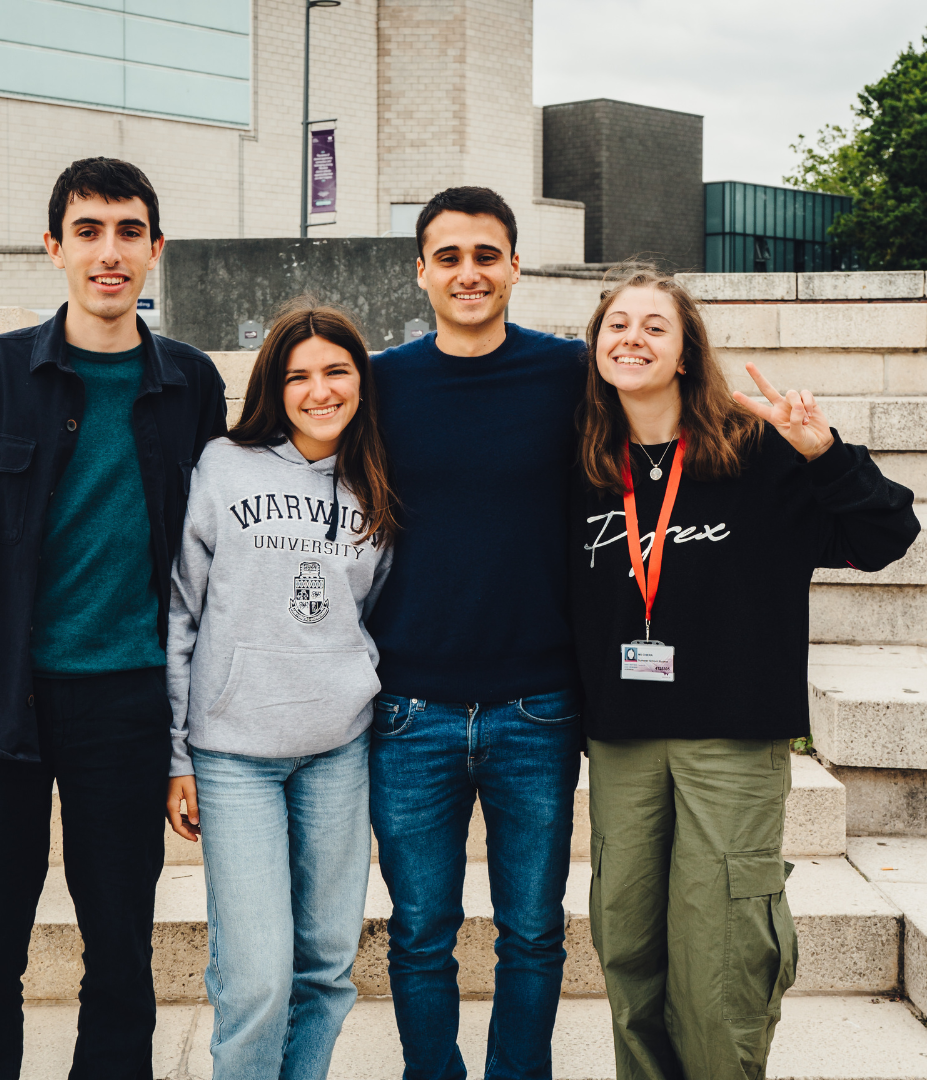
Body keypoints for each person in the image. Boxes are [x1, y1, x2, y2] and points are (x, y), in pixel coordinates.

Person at [0, 157, 227, 1080]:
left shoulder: (192, 384)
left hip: (124, 704)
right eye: (88, 231)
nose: (108, 253)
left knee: (119, 948)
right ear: (54, 247)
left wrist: (191, 737)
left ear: (155, 250)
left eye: (128, 233)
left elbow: (210, 565)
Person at [570, 267, 920, 1080]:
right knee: (627, 946)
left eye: (655, 326)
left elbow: (886, 537)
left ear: (687, 351)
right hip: (620, 744)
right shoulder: (584, 462)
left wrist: (823, 452)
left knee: (723, 951)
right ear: (594, 350)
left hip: (729, 741)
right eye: (617, 324)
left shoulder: (758, 452)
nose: (632, 338)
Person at [367, 187, 588, 1079]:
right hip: (407, 707)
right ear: (420, 270)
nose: (469, 272)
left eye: (486, 254)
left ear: (515, 265)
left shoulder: (570, 372)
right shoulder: (379, 383)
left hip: (536, 706)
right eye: (449, 256)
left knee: (533, 931)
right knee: (420, 933)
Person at [165, 300, 396, 1079]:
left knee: (327, 967)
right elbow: (181, 613)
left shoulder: (377, 480)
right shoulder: (224, 466)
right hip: (234, 754)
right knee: (258, 976)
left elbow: (372, 611)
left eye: (336, 371)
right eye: (299, 376)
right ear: (274, 384)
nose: (319, 390)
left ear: (361, 380)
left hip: (337, 748)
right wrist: (177, 755)